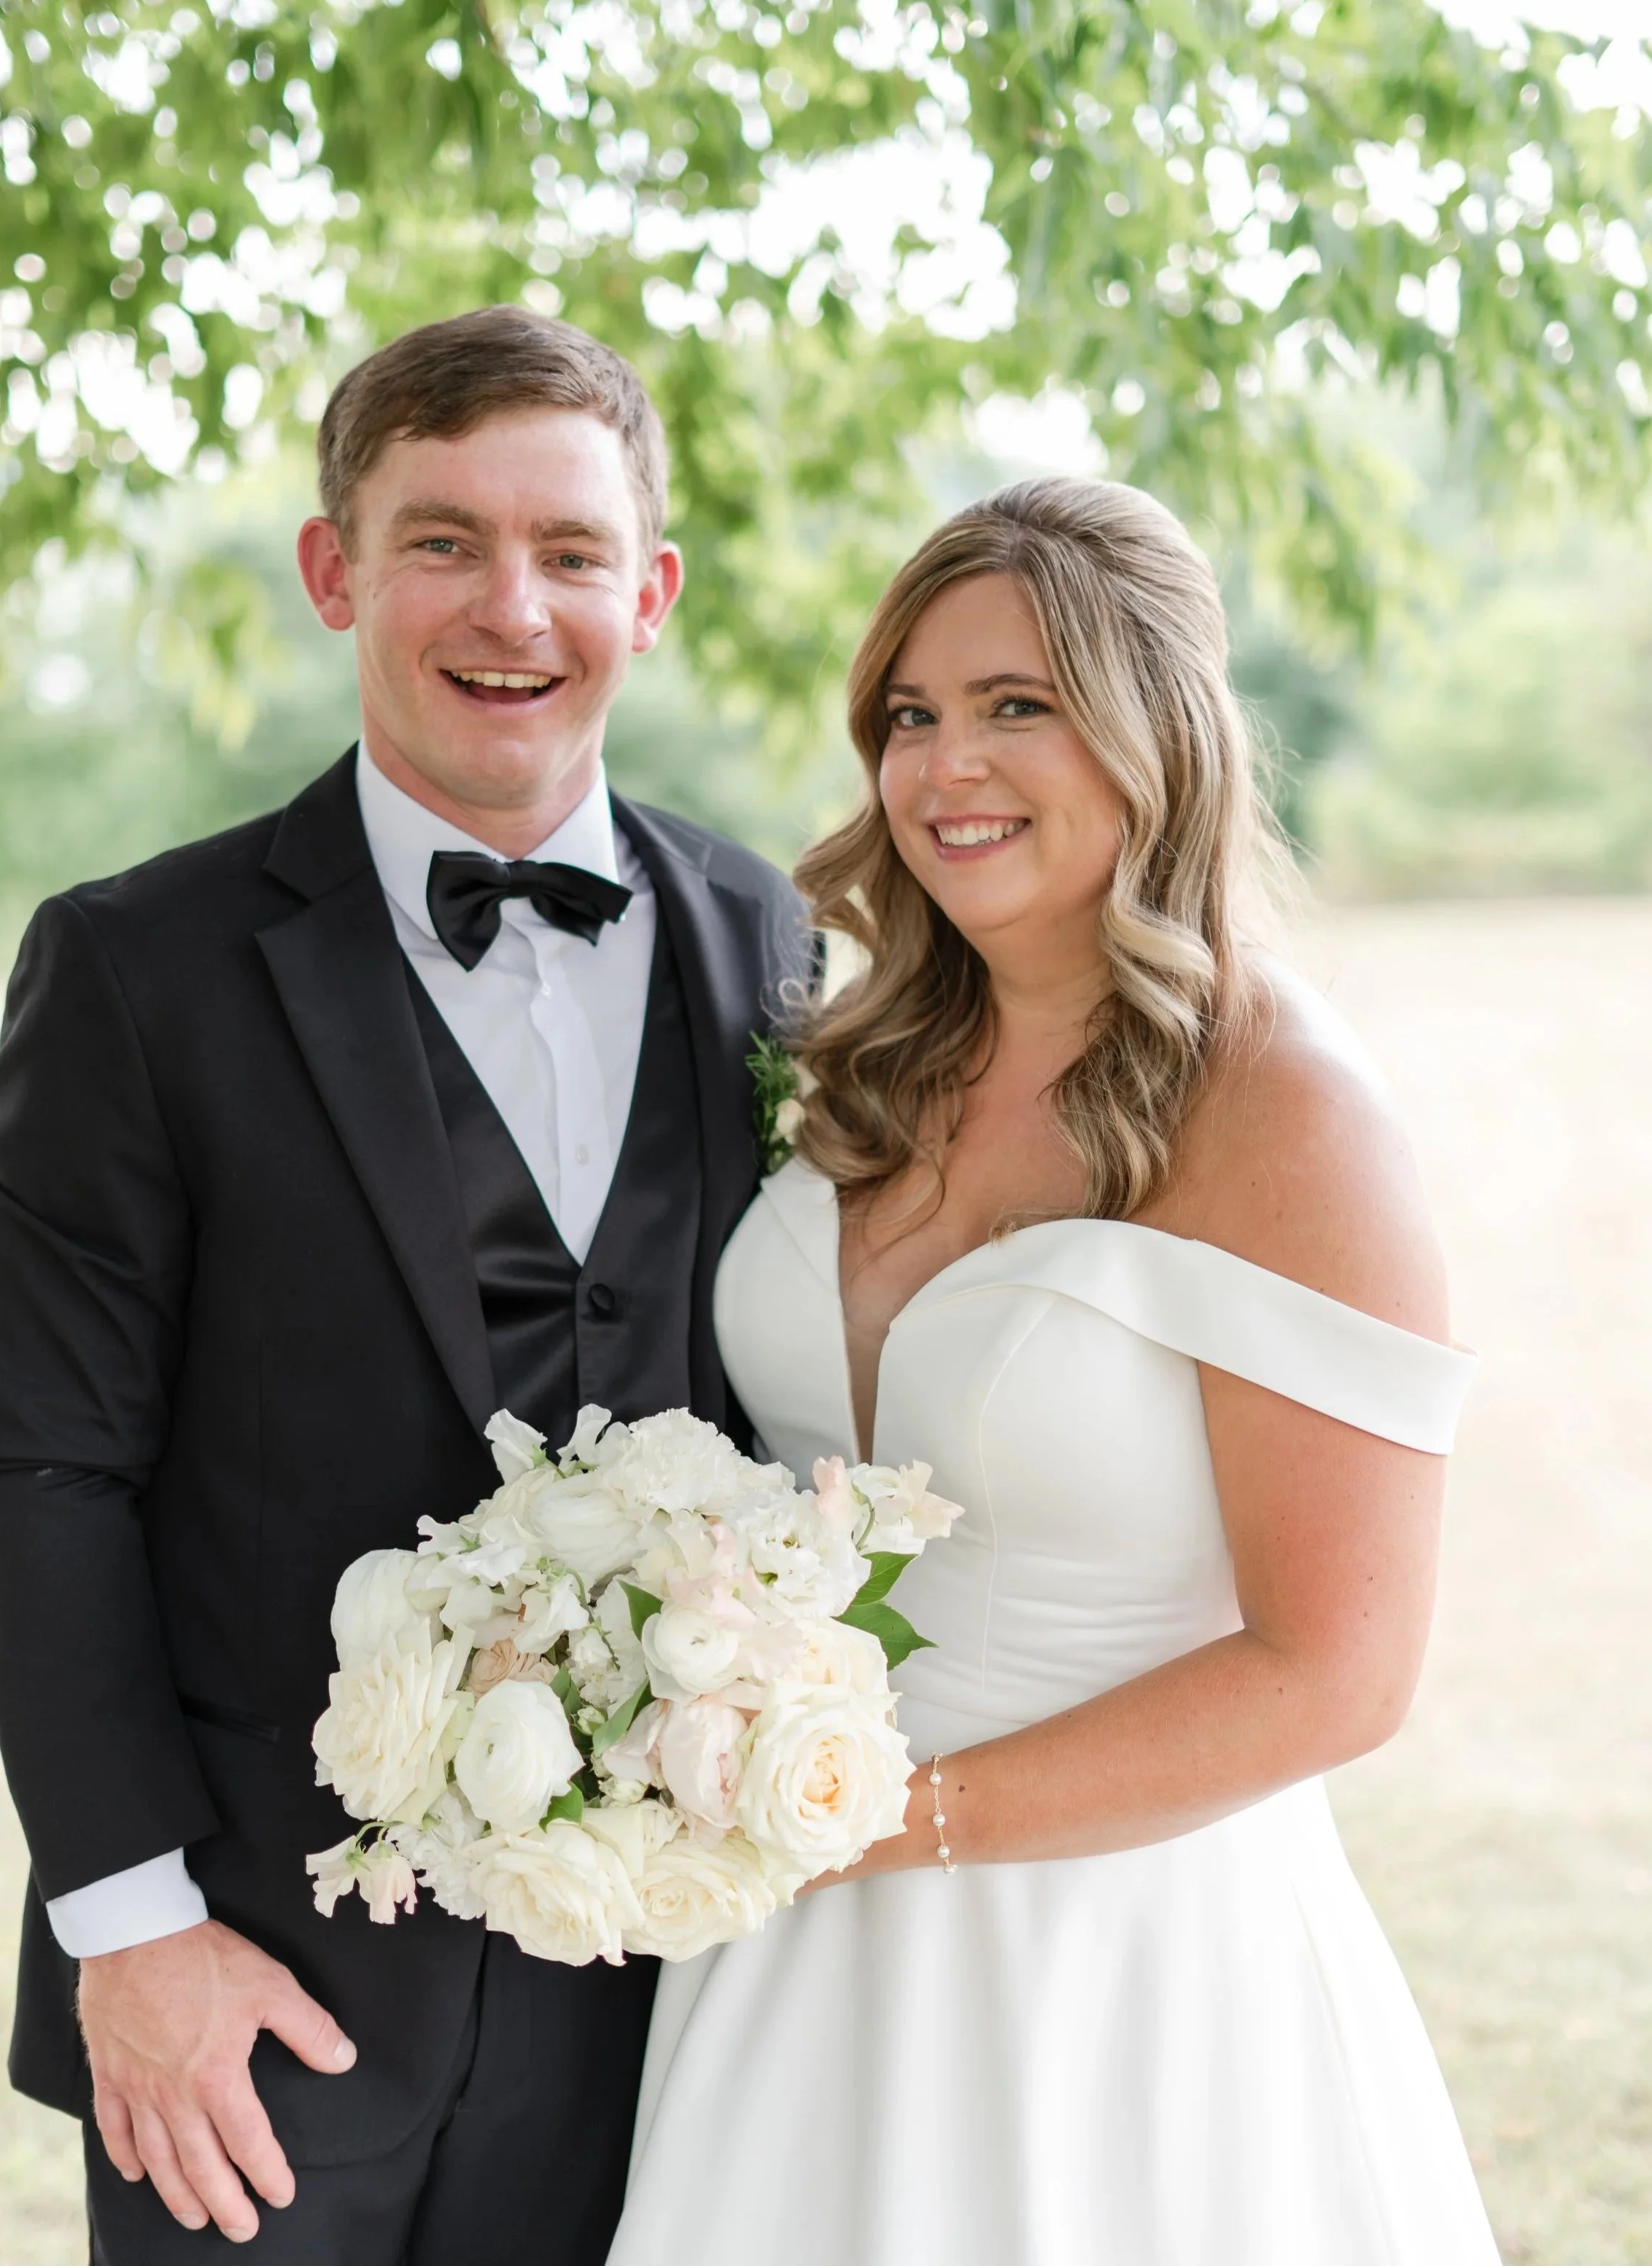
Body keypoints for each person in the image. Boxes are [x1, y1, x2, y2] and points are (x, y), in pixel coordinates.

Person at [0, 306, 806, 2262]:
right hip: (257, 1993)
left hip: (662, 1990)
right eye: (443, 538)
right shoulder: (134, 969)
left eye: (571, 550)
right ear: (336, 567)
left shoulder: (765, 936)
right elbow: (40, 1476)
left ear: (649, 593)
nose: (513, 603)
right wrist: (133, 1927)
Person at [610, 476, 1500, 2265]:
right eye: (910, 716)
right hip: (788, 1957)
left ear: (1151, 724)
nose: (946, 766)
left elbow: (1335, 1669)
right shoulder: (854, 1056)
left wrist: (888, 1821)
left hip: (1124, 1970)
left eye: (1018, 704)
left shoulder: (1281, 1108)